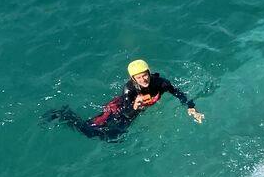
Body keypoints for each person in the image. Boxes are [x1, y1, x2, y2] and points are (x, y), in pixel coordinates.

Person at [49, 59, 204, 141]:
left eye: (145, 74)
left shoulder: (160, 83)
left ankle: (66, 115)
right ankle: (64, 114)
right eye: (139, 77)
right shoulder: (129, 89)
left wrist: (191, 107)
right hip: (120, 108)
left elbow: (179, 93)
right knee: (92, 131)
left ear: (149, 72)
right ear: (133, 79)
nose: (143, 79)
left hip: (133, 109)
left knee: (113, 136)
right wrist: (135, 107)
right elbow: (125, 113)